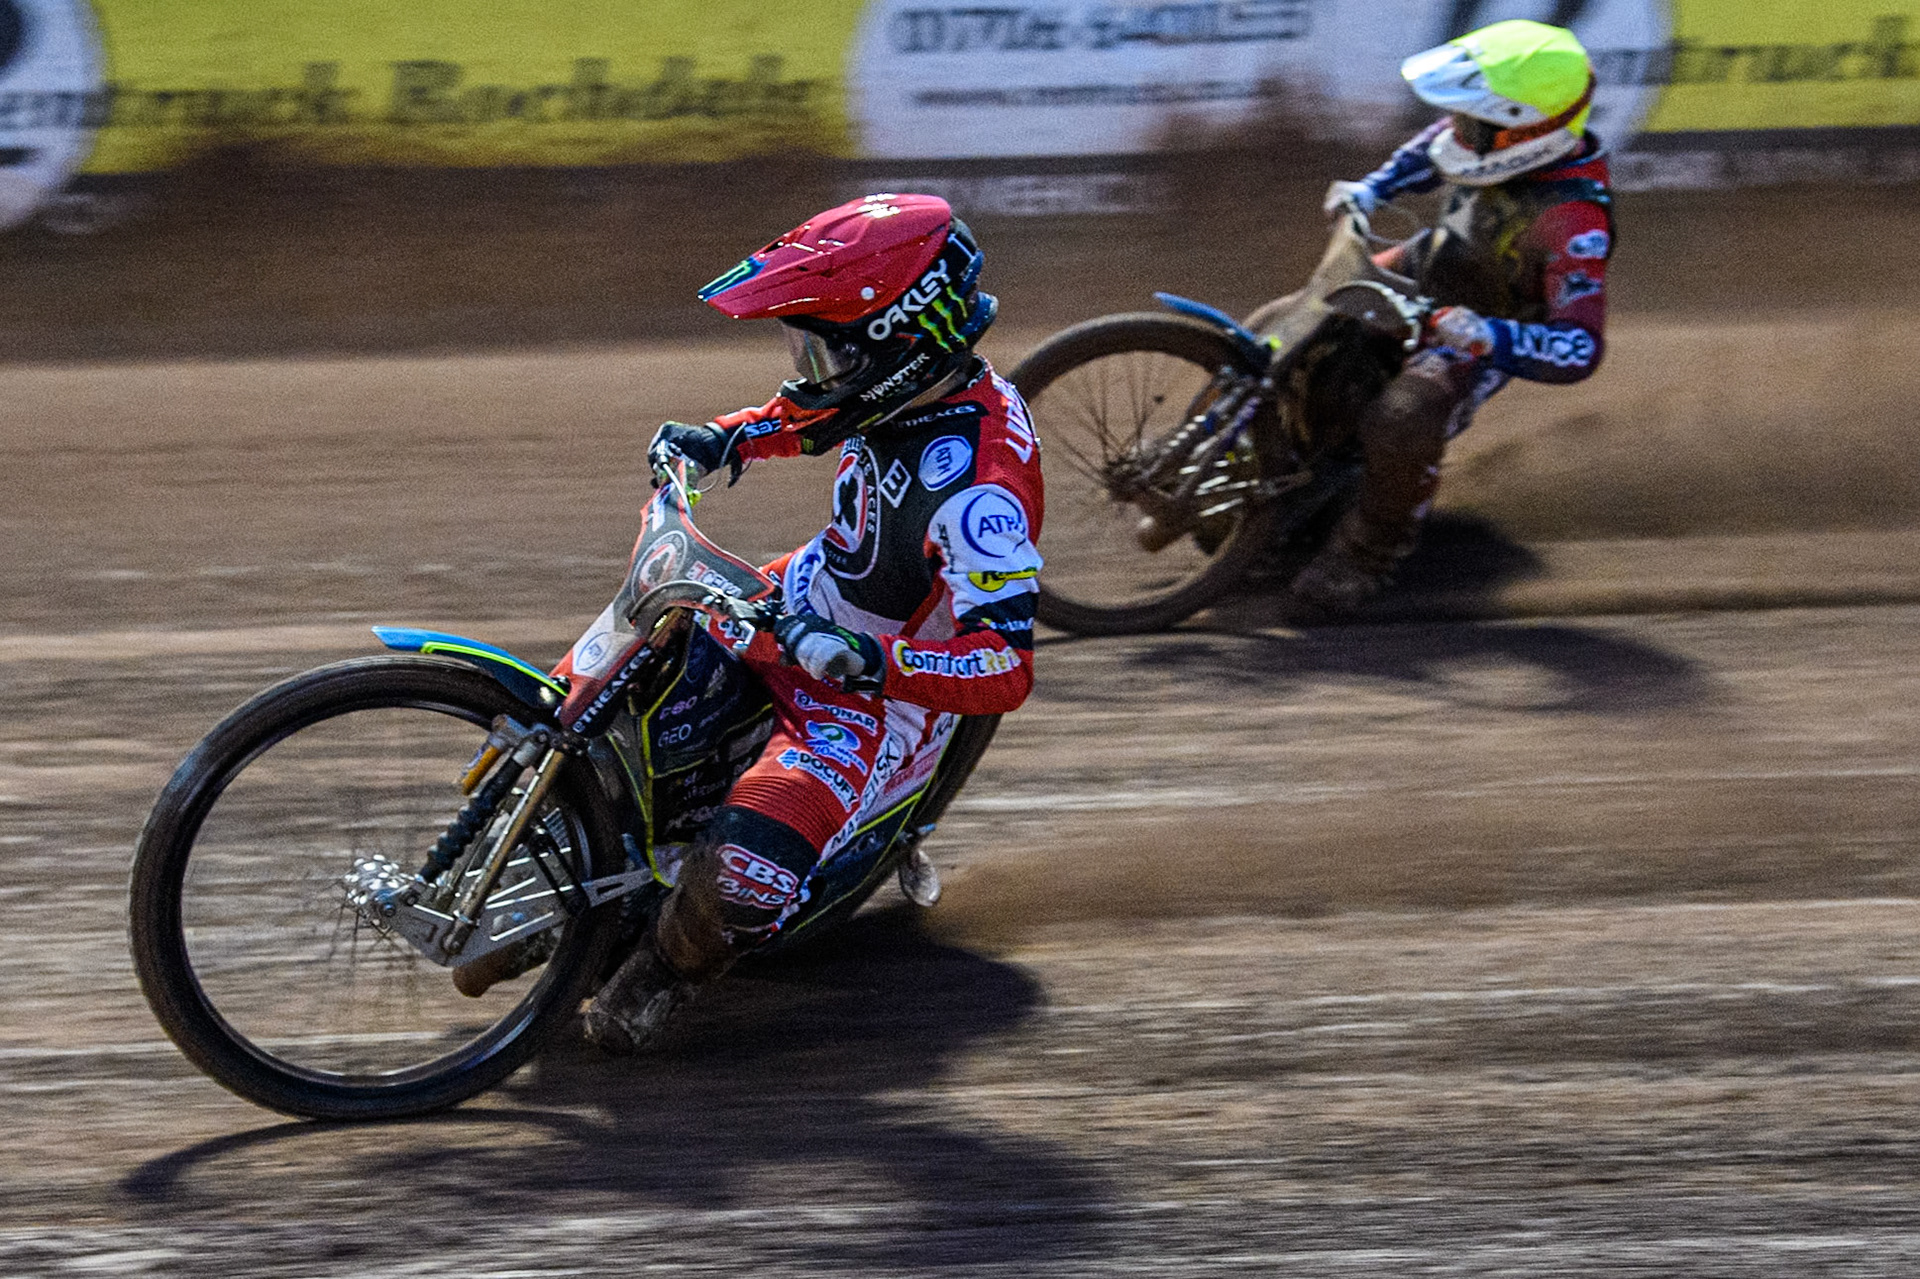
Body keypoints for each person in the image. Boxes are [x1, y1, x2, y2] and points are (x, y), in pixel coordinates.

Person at [581, 193, 1045, 1054]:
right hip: (791, 604)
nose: (808, 370)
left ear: (902, 345)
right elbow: (806, 417)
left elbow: (1005, 668)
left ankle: (655, 977)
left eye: (825, 350)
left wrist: (863, 658)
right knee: (617, 699)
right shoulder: (898, 392)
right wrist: (721, 441)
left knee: (733, 885)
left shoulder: (981, 493)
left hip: (870, 702)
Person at [1291, 19, 1613, 615]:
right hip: (1432, 262)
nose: (1458, 133)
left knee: (1403, 415)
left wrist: (1486, 334)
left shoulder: (1574, 222)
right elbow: (1435, 145)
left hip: (1483, 324)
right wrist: (1372, 189)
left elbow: (1579, 348)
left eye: (1476, 124)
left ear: (1526, 132)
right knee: (1294, 318)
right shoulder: (1489, 136)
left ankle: (1364, 556)